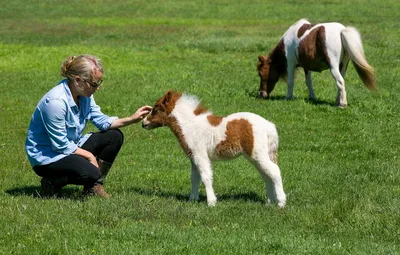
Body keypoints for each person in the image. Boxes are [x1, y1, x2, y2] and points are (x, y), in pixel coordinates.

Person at [25, 54, 152, 198]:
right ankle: (52, 181)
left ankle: (93, 187)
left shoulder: (85, 95)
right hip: (49, 158)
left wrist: (131, 119)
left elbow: (102, 121)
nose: (97, 88)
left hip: (69, 147)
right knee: (92, 172)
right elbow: (60, 145)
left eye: (99, 82)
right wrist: (89, 156)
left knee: (114, 136)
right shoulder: (56, 102)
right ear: (78, 81)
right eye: (94, 84)